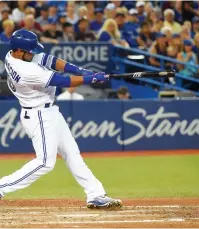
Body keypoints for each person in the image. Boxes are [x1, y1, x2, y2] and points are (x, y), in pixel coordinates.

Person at [0, 29, 122, 210]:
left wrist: (80, 70)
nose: (33, 54)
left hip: (49, 112)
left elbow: (48, 60)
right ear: (20, 51)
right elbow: (63, 81)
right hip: (38, 115)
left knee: (72, 153)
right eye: (29, 51)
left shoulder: (12, 55)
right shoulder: (25, 70)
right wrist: (91, 78)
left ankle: (95, 194)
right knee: (45, 162)